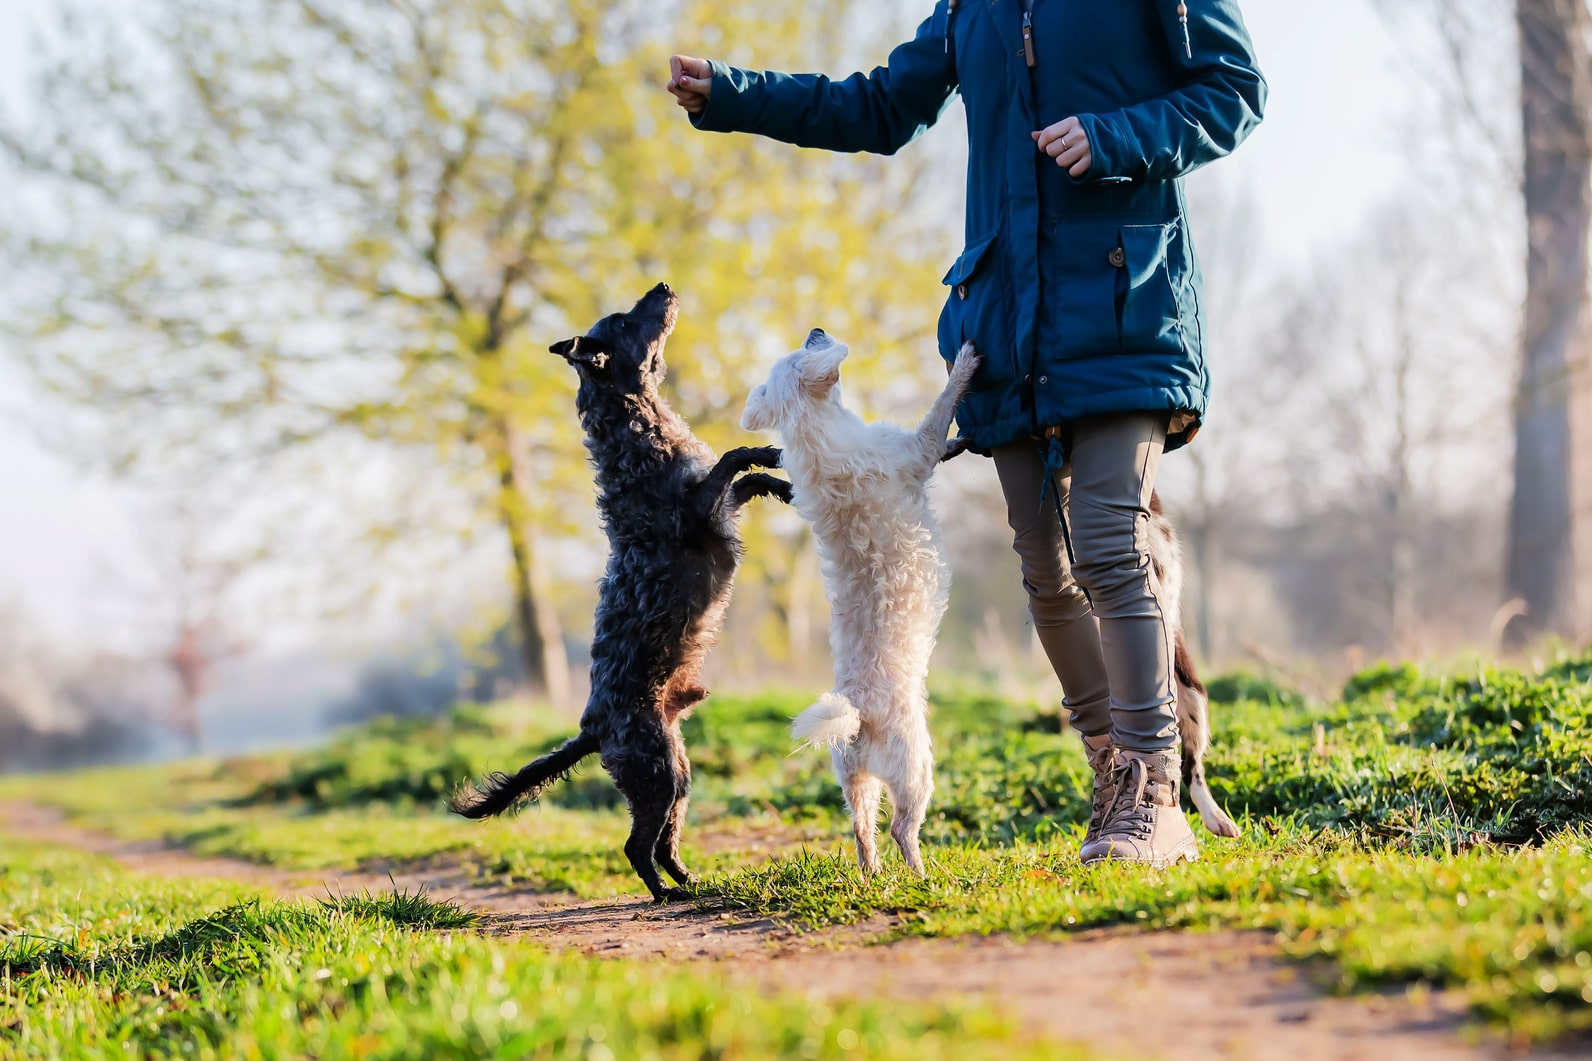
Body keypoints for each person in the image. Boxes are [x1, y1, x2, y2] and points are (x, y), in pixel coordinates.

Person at [668, 2, 1264, 868]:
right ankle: (1112, 774)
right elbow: (876, 107)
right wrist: (734, 93)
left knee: (1108, 539)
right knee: (1046, 571)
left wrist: (1116, 137)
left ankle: (1154, 794)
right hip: (1009, 326)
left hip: (1123, 303)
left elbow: (1233, 88)